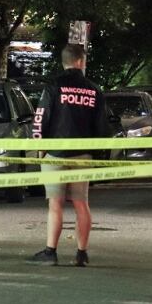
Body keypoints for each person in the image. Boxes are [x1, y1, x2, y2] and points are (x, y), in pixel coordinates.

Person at [27, 44, 110, 267]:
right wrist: (99, 154)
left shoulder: (53, 86)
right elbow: (102, 127)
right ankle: (82, 254)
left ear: (63, 61)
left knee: (55, 204)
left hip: (56, 154)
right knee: (82, 204)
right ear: (81, 62)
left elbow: (40, 119)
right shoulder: (94, 90)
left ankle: (50, 251)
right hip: (83, 155)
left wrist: (39, 146)